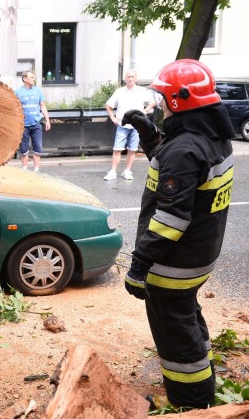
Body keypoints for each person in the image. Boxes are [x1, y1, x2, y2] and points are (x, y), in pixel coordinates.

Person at [122, 59, 235, 410]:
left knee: (175, 334)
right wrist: (150, 136)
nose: (157, 104)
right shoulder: (209, 139)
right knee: (187, 316)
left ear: (178, 102)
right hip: (198, 257)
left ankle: (190, 402)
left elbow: (171, 218)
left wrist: (140, 265)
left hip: (173, 265)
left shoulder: (185, 150)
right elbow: (176, 169)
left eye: (161, 99)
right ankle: (204, 376)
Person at [103, 69, 156, 180]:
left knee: (132, 150)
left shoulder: (142, 91)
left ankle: (127, 171)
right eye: (128, 76)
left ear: (135, 78)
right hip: (122, 125)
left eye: (132, 76)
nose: (130, 78)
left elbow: (154, 102)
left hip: (137, 126)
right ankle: (113, 172)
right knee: (117, 149)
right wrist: (113, 117)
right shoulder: (119, 91)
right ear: (125, 78)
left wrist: (145, 111)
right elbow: (108, 105)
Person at [15, 70, 51, 172]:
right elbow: (13, 108)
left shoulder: (37, 91)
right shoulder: (17, 92)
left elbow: (42, 106)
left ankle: (36, 171)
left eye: (33, 77)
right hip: (23, 125)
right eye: (31, 77)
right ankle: (25, 170)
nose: (33, 79)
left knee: (38, 148)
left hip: (36, 124)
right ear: (25, 79)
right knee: (24, 149)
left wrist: (47, 121)